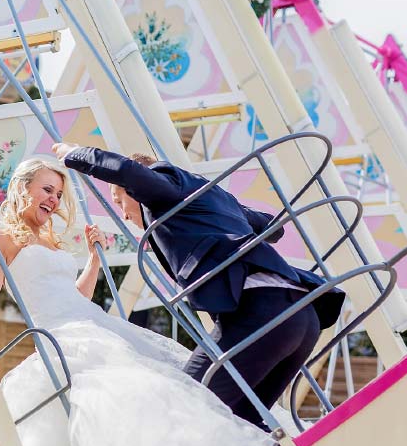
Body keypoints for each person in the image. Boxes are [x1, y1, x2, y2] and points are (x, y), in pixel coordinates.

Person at [0, 158, 272, 446]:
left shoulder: (50, 238)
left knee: (165, 378)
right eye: (46, 190)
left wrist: (93, 259)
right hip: (61, 333)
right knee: (123, 396)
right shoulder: (4, 238)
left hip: (88, 319)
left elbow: (74, 295)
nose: (53, 199)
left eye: (58, 193)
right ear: (23, 188)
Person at [53, 143, 345, 430]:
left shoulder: (166, 187)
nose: (124, 215)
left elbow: (128, 171)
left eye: (119, 201)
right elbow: (273, 227)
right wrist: (226, 214)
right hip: (302, 316)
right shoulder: (207, 195)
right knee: (244, 422)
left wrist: (74, 155)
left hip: (262, 311)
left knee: (186, 404)